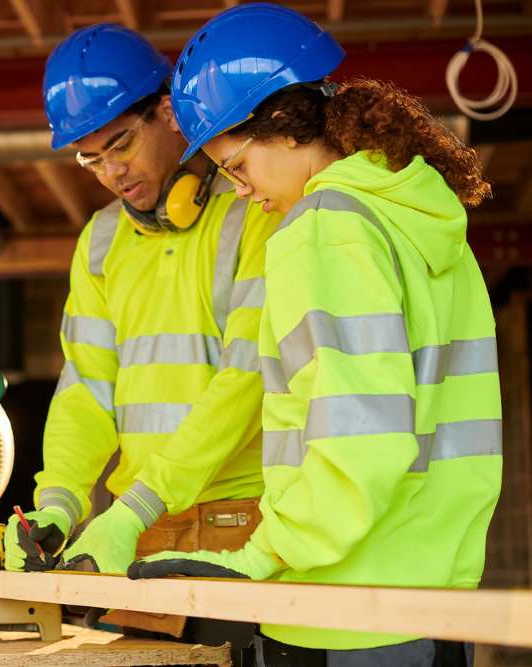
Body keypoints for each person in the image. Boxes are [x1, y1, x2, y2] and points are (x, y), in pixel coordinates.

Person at [130, 4, 502, 665]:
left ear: (287, 127)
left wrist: (262, 555)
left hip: (343, 610)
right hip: (434, 605)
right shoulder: (418, 219)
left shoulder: (324, 226)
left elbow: (363, 436)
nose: (239, 191)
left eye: (236, 164)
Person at [2, 23, 281, 652]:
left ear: (168, 112)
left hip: (241, 524)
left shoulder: (255, 212)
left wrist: (138, 505)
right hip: (137, 535)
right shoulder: (100, 242)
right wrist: (61, 503)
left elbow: (247, 379)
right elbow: (86, 391)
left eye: (121, 144)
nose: (111, 172)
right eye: (90, 157)